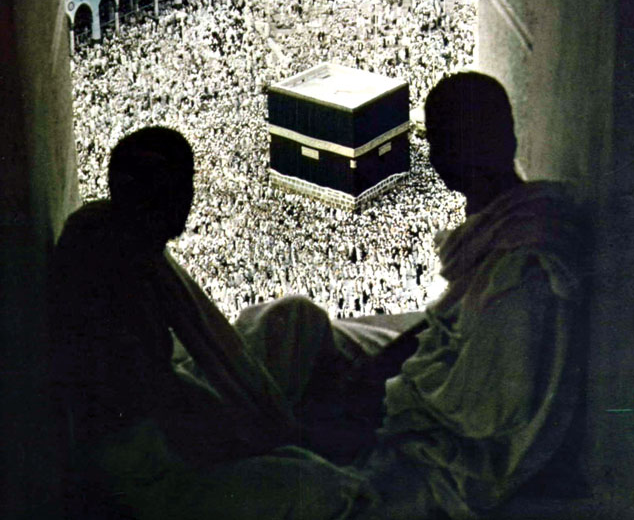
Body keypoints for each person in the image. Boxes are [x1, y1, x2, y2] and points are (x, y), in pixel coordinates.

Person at [51, 126, 372, 519]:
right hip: (154, 473)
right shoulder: (103, 278)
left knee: (294, 317)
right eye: (168, 191)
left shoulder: (127, 235)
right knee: (326, 486)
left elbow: (196, 355)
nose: (184, 200)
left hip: (181, 400)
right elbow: (156, 409)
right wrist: (252, 433)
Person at [356, 71, 586, 518]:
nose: (435, 158)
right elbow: (453, 323)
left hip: (459, 456)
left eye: (444, 142)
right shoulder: (506, 225)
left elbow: (483, 412)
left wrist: (383, 392)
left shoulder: (522, 273)